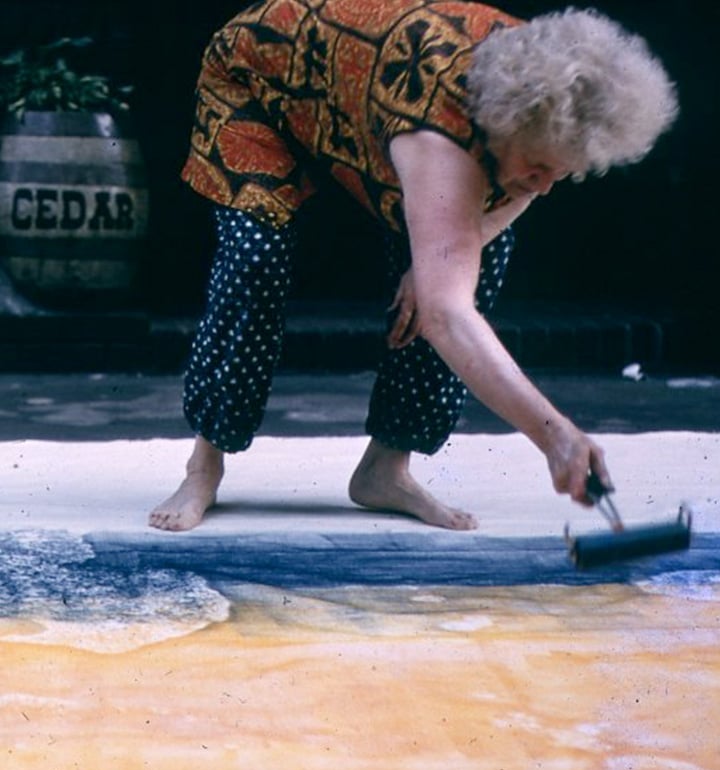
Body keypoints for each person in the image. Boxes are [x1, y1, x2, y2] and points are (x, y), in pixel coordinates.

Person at [149, 0, 677, 532]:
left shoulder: (554, 92)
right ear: (500, 124)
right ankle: (204, 464)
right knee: (254, 258)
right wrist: (555, 435)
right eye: (538, 167)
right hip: (257, 76)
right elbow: (449, 315)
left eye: (561, 174)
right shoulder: (440, 130)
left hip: (366, 94)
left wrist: (437, 271)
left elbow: (517, 192)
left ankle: (386, 468)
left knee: (479, 256)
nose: (544, 185)